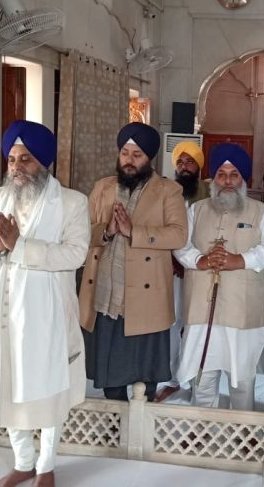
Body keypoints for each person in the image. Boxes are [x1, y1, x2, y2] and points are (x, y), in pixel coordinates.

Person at [0, 120, 89, 487]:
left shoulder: (71, 203)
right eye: (12, 159)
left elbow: (76, 254)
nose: (16, 167)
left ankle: (46, 467)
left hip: (45, 315)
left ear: (43, 164)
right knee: (8, 383)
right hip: (1, 312)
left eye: (26, 159)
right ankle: (23, 462)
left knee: (48, 390)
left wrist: (19, 246)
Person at [79, 122, 188, 403]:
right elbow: (81, 231)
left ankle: (140, 428)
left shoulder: (168, 190)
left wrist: (134, 232)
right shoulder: (103, 187)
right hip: (106, 295)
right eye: (125, 153)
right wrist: (107, 230)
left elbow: (178, 234)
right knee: (110, 374)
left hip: (145, 297)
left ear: (149, 158)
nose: (128, 160)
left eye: (136, 154)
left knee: (145, 372)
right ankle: (116, 427)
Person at [174, 143, 264, 410]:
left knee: (241, 379)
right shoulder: (196, 210)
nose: (227, 181)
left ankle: (243, 436)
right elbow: (180, 245)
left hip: (242, 311)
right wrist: (200, 260)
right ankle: (202, 434)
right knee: (204, 375)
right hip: (202, 309)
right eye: (222, 174)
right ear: (213, 178)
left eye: (234, 174)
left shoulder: (261, 212)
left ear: (243, 179)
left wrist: (240, 260)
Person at [157, 141, 211, 403]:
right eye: (180, 162)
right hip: (171, 269)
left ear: (198, 166)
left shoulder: (209, 193)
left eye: (190, 162)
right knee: (171, 322)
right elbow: (158, 228)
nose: (184, 167)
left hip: (201, 268)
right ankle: (171, 378)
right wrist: (172, 256)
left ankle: (192, 376)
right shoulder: (165, 192)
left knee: (195, 323)